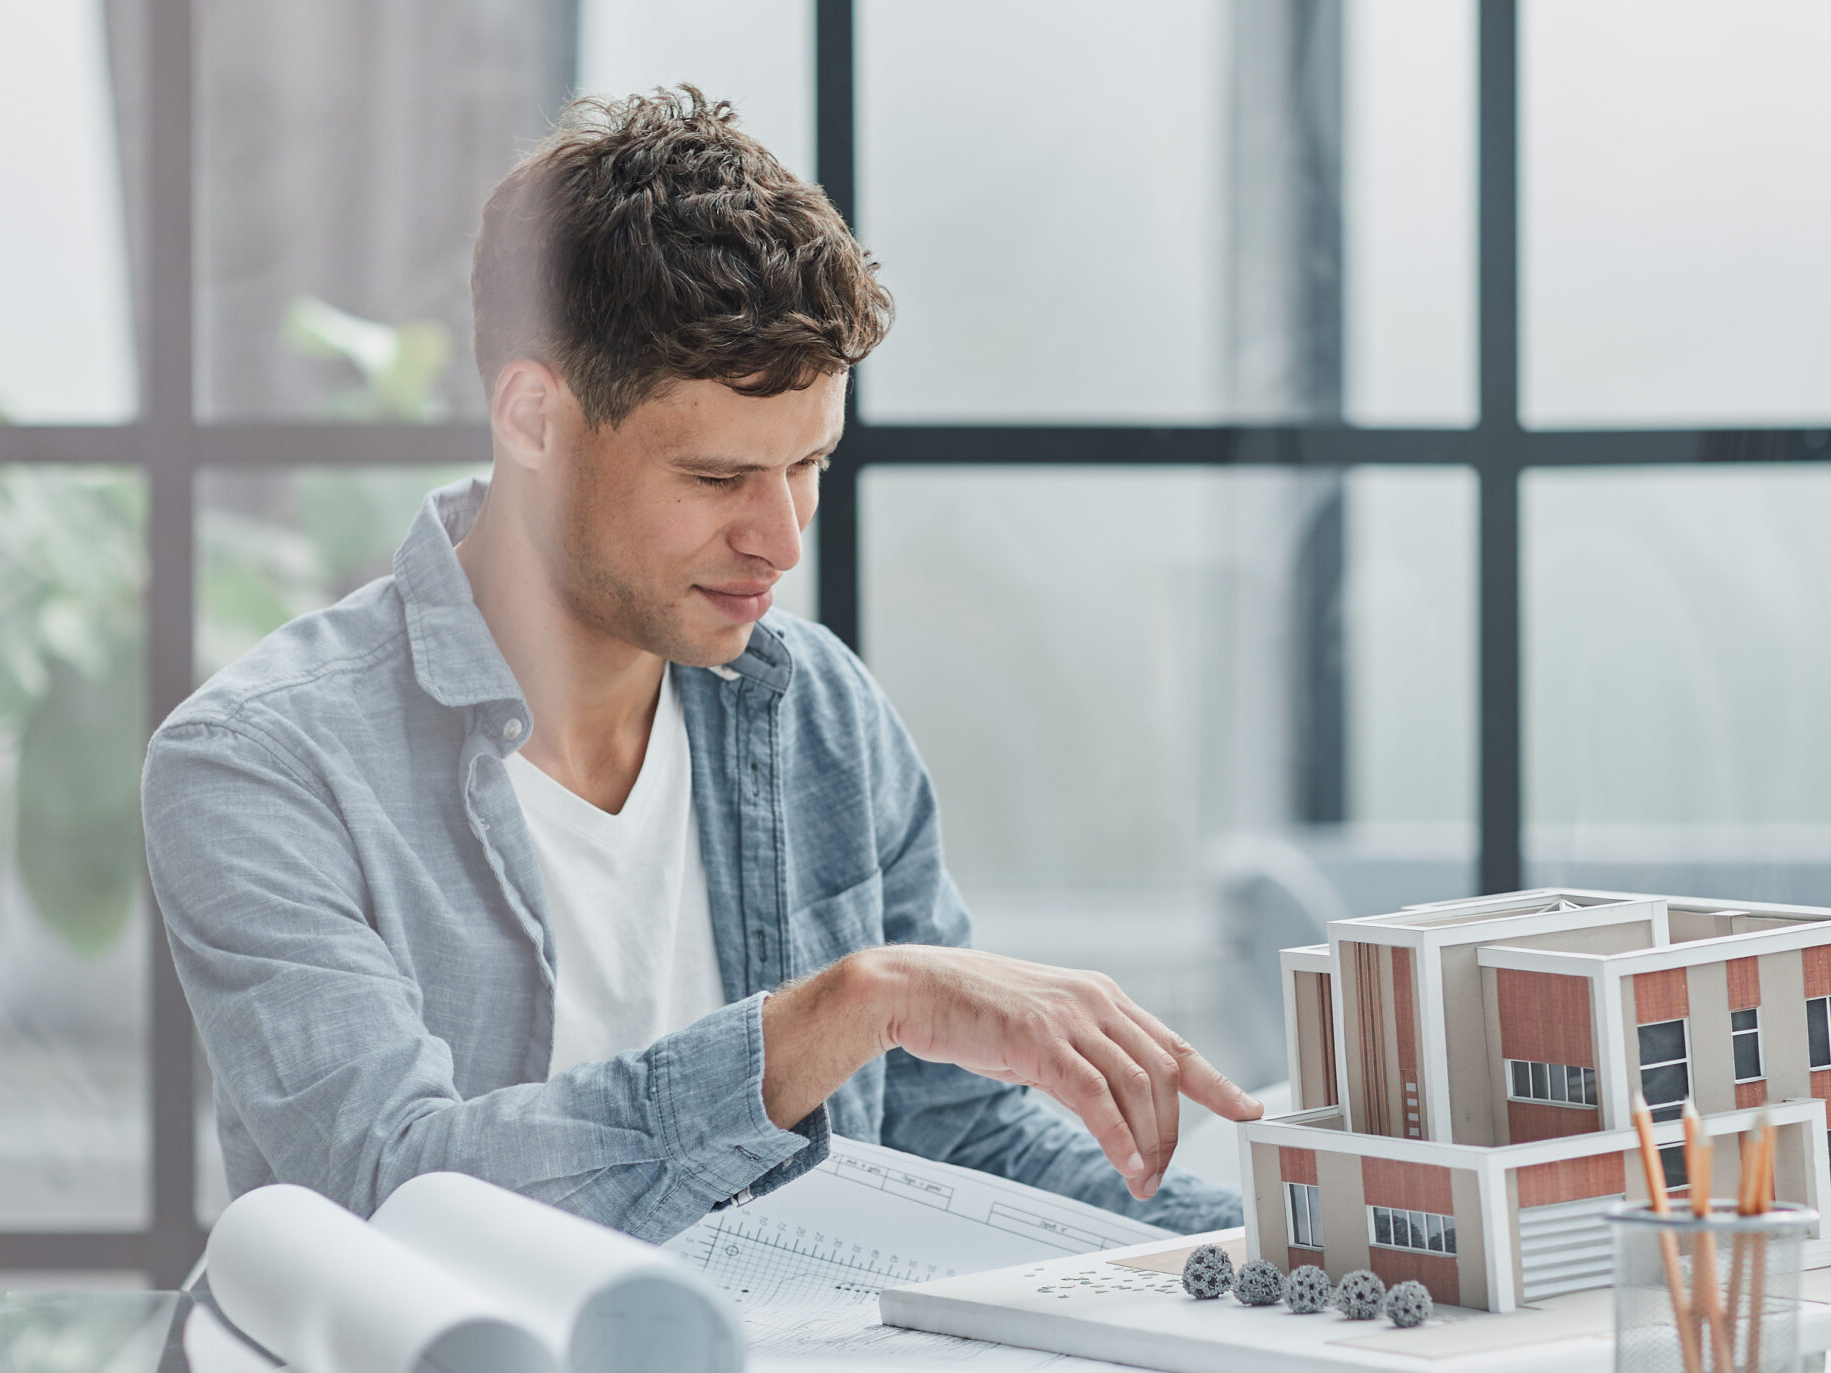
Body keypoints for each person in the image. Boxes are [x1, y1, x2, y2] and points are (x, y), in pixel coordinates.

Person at [142, 86, 1258, 1244]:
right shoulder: (261, 765)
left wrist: (1295, 1247)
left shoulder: (818, 709)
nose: (780, 539)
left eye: (811, 464)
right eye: (720, 479)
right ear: (531, 419)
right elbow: (394, 1190)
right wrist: (845, 1011)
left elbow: (956, 1140)